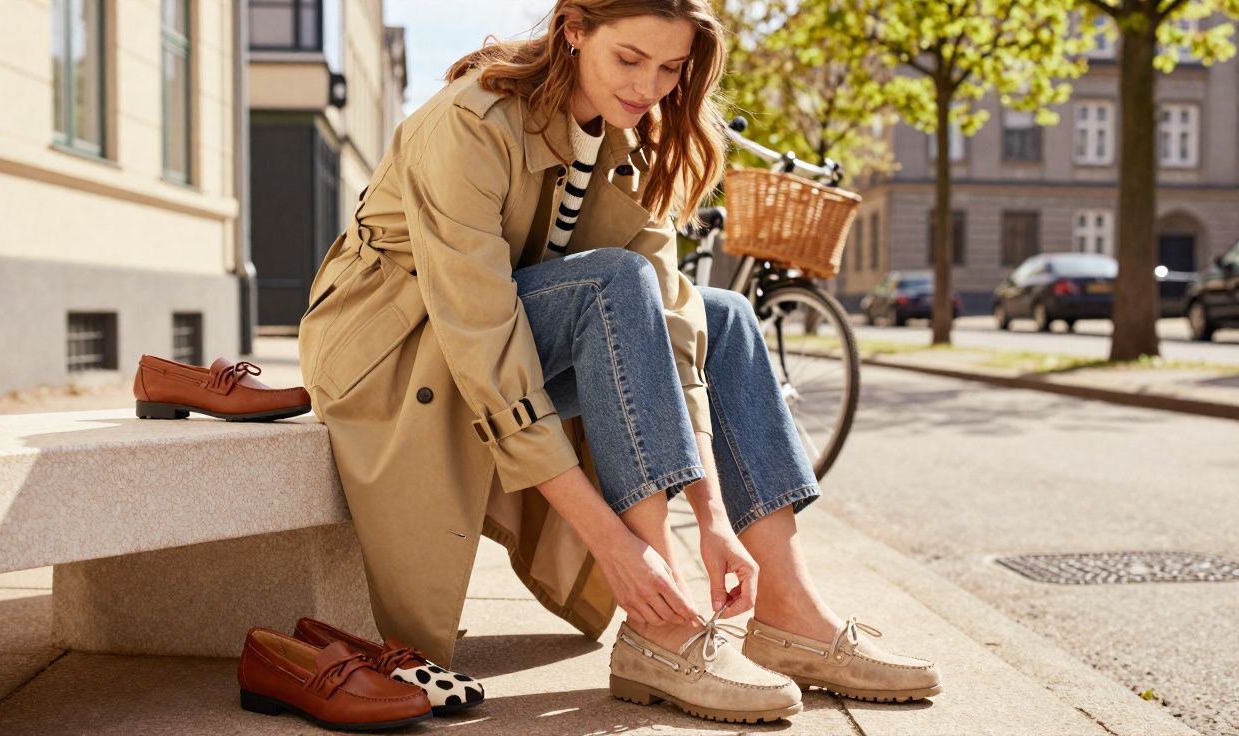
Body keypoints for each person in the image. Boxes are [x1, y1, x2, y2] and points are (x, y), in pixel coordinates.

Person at [297, 0, 941, 723]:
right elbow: (480, 337)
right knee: (613, 282)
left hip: (514, 331)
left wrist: (714, 518)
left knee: (718, 315)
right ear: (574, 30)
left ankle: (791, 615)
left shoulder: (641, 137)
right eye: (629, 59)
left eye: (670, 68)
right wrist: (618, 549)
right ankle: (660, 627)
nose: (648, 86)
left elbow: (675, 328)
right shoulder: (469, 124)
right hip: (399, 348)